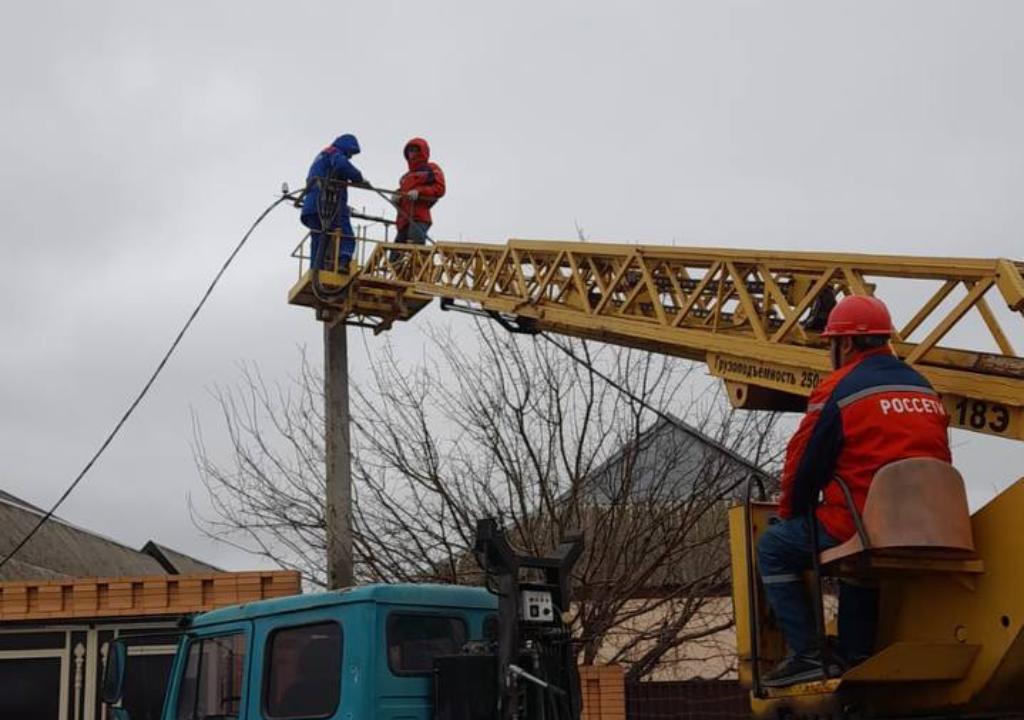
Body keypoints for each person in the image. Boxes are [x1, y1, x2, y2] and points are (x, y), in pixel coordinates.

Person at [757, 295, 952, 687]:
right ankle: (856, 652)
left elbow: (804, 464)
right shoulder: (924, 387)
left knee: (775, 547)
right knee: (861, 557)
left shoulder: (839, 388)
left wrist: (793, 513)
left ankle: (809, 655)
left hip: (863, 519)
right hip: (932, 523)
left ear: (843, 344)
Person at [301, 133, 366, 271]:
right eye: (350, 153)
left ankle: (316, 269)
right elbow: (343, 165)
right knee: (346, 232)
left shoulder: (322, 157)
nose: (350, 157)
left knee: (318, 239)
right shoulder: (334, 153)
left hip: (312, 205)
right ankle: (343, 261)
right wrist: (359, 178)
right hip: (329, 202)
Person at [390, 137, 445, 260]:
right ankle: (400, 275)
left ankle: (418, 274)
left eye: (415, 150)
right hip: (404, 220)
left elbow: (439, 188)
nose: (412, 154)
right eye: (410, 151)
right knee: (394, 257)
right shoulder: (405, 177)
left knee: (415, 253)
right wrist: (397, 195)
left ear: (422, 152)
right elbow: (404, 192)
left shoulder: (431, 169)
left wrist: (419, 192)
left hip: (419, 219)